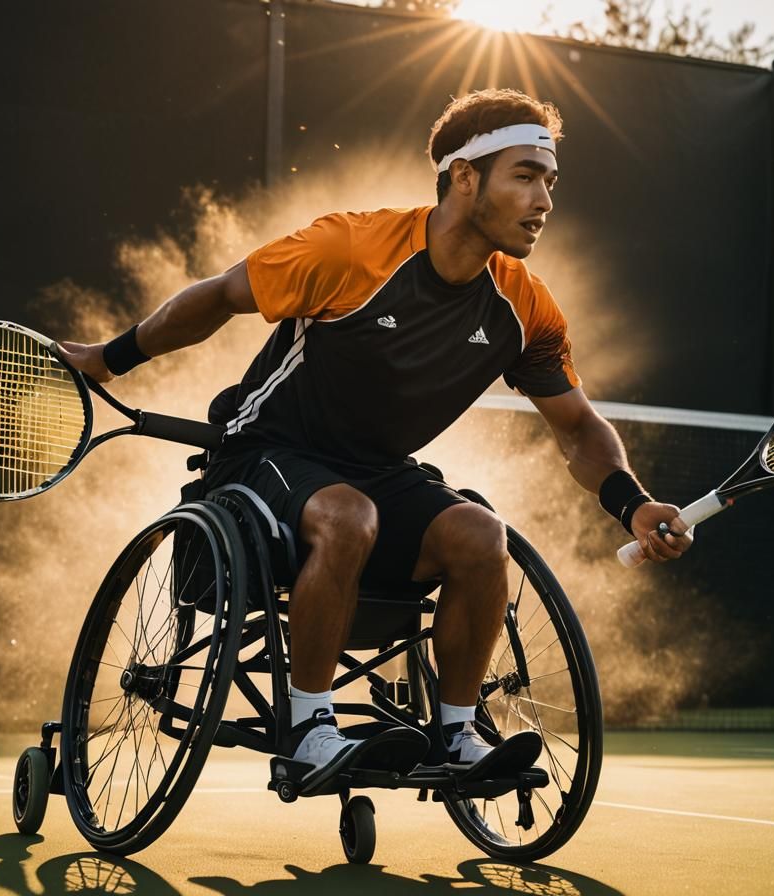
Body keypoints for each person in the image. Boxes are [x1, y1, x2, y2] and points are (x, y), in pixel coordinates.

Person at [58, 88, 691, 786]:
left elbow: (576, 427)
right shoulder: (350, 248)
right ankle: (309, 731)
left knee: (482, 535)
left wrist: (633, 504)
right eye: (525, 176)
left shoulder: (525, 306)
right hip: (262, 451)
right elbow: (218, 296)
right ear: (464, 177)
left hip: (378, 471)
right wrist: (110, 358)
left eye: (550, 181)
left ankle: (456, 735)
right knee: (347, 514)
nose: (544, 200)